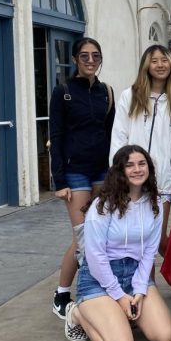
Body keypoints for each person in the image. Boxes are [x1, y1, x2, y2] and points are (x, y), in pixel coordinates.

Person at [63, 145, 171, 341]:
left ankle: (116, 315)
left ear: (149, 168)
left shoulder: (156, 203)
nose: (137, 169)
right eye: (130, 165)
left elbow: (149, 253)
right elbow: (94, 257)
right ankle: (77, 313)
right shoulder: (102, 205)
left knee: (165, 336)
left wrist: (140, 291)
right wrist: (120, 296)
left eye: (142, 164)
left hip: (134, 275)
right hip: (99, 278)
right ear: (119, 171)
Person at [48, 37, 114, 320]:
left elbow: (113, 136)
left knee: (101, 234)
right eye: (84, 56)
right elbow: (56, 136)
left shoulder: (107, 93)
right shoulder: (62, 91)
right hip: (75, 173)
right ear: (75, 59)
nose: (90, 61)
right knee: (83, 236)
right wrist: (59, 180)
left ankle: (99, 290)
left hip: (102, 171)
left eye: (95, 56)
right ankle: (63, 293)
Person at [111, 44, 171, 259]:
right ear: (146, 65)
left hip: (162, 180)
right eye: (154, 60)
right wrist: (117, 171)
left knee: (156, 236)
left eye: (164, 60)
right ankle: (147, 283)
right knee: (135, 235)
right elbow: (119, 135)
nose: (160, 65)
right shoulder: (130, 96)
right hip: (132, 176)